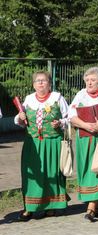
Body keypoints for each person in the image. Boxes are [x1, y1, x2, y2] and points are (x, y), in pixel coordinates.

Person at [14, 71, 69, 221]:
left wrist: (60, 122)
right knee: (31, 176)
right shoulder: (29, 99)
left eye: (43, 80)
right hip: (33, 144)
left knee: (51, 173)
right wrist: (20, 117)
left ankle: (51, 206)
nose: (40, 83)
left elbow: (69, 117)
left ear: (49, 84)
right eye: (37, 81)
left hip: (52, 142)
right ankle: (29, 208)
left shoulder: (57, 98)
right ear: (33, 85)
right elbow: (19, 120)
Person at [68, 67, 98, 222]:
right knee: (86, 169)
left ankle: (91, 206)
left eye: (93, 80)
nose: (89, 83)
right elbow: (71, 115)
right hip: (84, 137)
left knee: (97, 168)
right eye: (87, 80)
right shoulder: (81, 94)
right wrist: (85, 125)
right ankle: (94, 201)